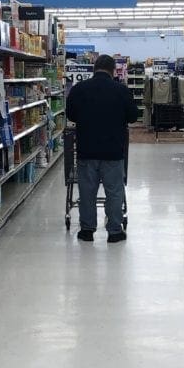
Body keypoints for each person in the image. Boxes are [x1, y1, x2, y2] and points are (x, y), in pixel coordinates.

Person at [66, 54, 139, 244]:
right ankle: (114, 231)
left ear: (93, 68)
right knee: (114, 192)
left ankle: (87, 231)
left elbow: (71, 115)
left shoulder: (79, 89)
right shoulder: (121, 90)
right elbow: (133, 116)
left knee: (87, 192)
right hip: (113, 151)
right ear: (113, 70)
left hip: (86, 150)